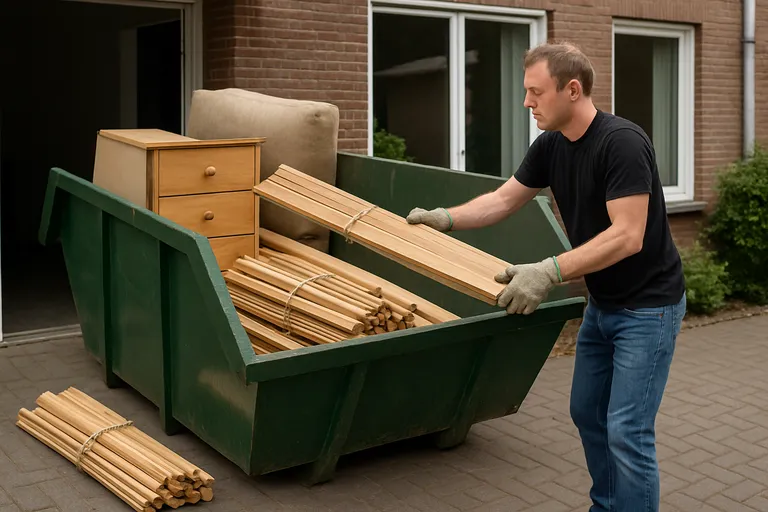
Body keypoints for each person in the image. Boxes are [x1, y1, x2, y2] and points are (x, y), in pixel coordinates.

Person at [406, 41, 686, 512]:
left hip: (648, 308)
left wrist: (549, 270)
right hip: (604, 305)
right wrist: (445, 218)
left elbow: (627, 235)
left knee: (626, 428)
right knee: (587, 413)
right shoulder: (551, 146)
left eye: (536, 92)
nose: (526, 102)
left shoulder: (622, 143)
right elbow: (503, 200)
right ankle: (609, 505)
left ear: (572, 89)